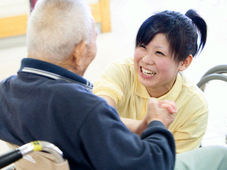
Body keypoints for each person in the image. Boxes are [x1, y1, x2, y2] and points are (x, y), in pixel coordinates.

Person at [0, 0, 176, 169]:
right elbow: (153, 164)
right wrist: (157, 123)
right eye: (94, 37)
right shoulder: (83, 107)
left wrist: (139, 127)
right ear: (79, 52)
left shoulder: (5, 91)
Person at [93, 9, 208, 153]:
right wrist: (145, 126)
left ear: (184, 62)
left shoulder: (195, 108)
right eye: (142, 46)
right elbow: (96, 116)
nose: (146, 60)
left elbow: (177, 163)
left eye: (159, 53)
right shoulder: (122, 71)